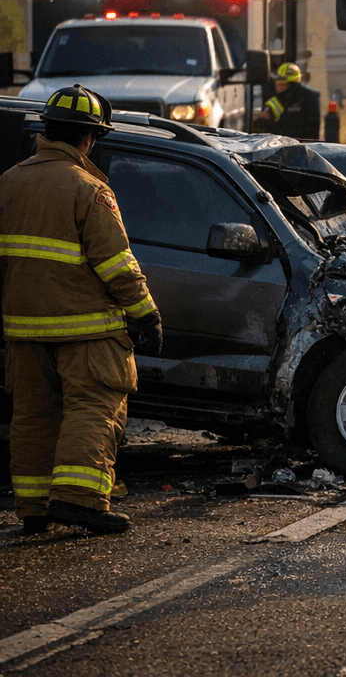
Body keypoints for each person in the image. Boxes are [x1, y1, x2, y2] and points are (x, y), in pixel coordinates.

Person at [3, 86, 161, 536]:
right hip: (86, 327)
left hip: (23, 329)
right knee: (93, 406)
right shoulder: (89, 189)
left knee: (33, 415)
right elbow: (116, 263)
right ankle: (79, 500)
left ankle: (34, 508)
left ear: (47, 130)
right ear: (90, 138)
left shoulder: (9, 181)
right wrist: (146, 314)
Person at [254, 61, 321, 139]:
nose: (277, 86)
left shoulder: (310, 97)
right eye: (277, 82)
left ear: (291, 84)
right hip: (281, 143)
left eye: (281, 83)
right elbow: (270, 125)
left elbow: (313, 128)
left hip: (301, 143)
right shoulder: (275, 100)